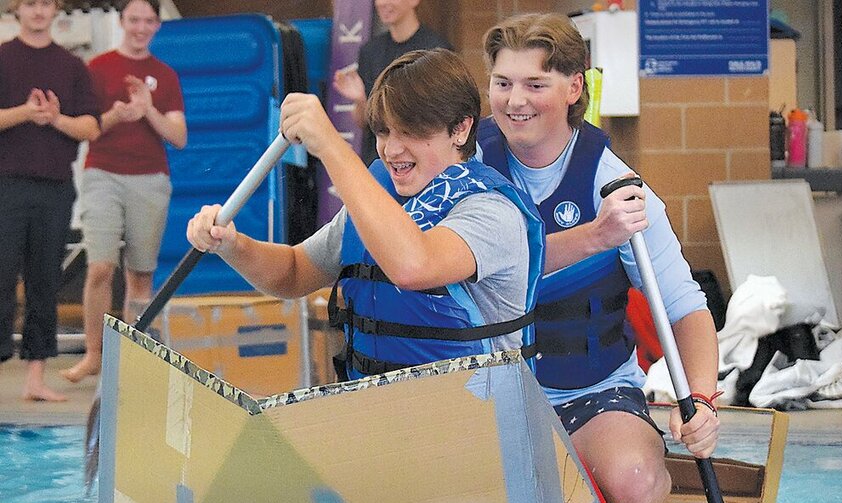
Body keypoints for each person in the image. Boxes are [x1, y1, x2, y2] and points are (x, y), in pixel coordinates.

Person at [479, 13, 720, 503]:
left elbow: (685, 307)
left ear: (573, 87)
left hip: (592, 391)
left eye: (534, 84)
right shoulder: (467, 167)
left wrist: (699, 399)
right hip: (485, 394)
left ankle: (617, 455)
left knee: (635, 486)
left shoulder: (618, 189)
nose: (514, 101)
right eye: (502, 83)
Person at [187, 49, 543, 381]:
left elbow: (412, 265)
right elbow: (293, 272)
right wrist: (232, 245)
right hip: (384, 418)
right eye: (383, 132)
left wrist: (329, 145)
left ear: (461, 129)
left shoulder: (491, 212)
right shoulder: (376, 203)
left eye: (412, 132)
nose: (392, 149)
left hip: (478, 424)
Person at [61, 0, 187, 384]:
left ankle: (133, 361)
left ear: (156, 26)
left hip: (150, 179)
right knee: (100, 266)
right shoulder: (97, 68)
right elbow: (85, 128)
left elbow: (178, 137)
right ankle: (95, 354)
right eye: (134, 20)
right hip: (103, 173)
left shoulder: (165, 75)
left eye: (149, 21)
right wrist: (118, 113)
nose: (141, 28)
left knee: (140, 277)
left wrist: (147, 109)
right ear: (121, 22)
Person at [0, 0, 100, 401]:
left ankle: (36, 379)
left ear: (55, 10)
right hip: (6, 184)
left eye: (45, 3)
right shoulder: (3, 58)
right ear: (17, 10)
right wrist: (25, 112)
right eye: (30, 4)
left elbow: (91, 125)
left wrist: (56, 119)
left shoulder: (72, 66)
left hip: (55, 188)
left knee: (44, 281)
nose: (38, 11)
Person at [332, 0, 451, 165]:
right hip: (379, 164)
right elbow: (364, 121)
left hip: (420, 163)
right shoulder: (370, 51)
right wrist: (360, 100)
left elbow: (441, 117)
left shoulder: (436, 50)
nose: (382, 3)